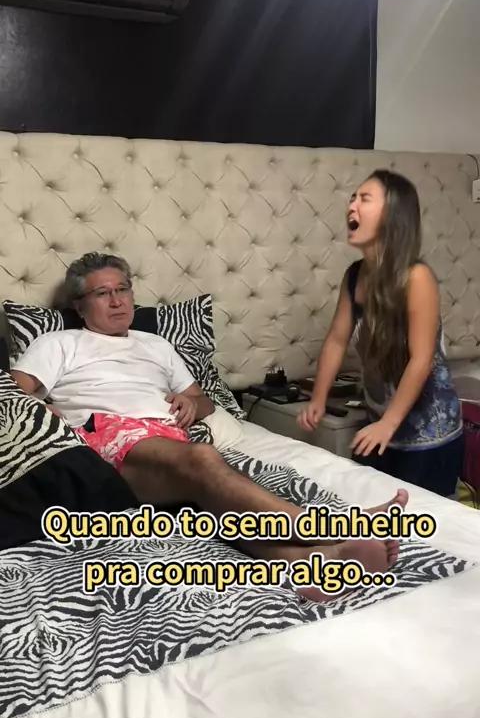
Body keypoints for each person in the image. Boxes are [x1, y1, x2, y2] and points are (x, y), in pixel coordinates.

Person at [11, 251, 407, 602]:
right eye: (102, 293)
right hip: (106, 435)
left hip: (164, 437)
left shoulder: (156, 345)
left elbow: (203, 401)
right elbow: (11, 395)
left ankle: (307, 565)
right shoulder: (59, 343)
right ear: (80, 306)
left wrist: (191, 403)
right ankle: (337, 530)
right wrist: (44, 408)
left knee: (218, 497)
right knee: (203, 459)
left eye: (123, 289)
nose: (117, 301)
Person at [297, 170, 464, 498]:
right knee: (367, 511)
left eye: (364, 199)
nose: (351, 206)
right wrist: (318, 398)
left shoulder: (416, 278)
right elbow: (336, 341)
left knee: (420, 522)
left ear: (392, 216)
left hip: (428, 437)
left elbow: (421, 360)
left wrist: (389, 423)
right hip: (379, 425)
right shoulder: (354, 276)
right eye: (352, 198)